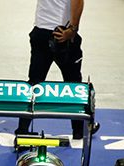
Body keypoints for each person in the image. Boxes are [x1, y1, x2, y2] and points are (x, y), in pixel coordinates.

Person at [15, 0, 98, 140]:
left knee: (35, 82)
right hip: (61, 34)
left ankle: (22, 129)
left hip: (40, 31)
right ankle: (79, 129)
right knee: (73, 84)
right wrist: (73, 29)